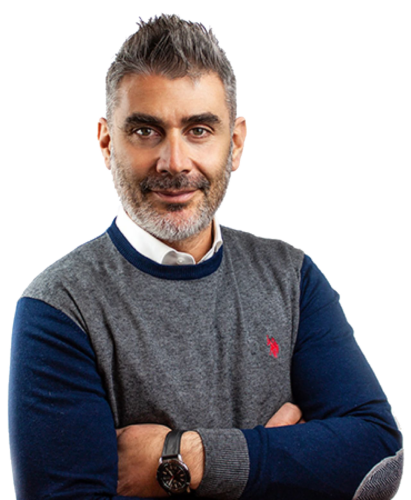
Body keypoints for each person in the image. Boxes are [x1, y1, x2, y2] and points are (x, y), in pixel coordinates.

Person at [8, 13, 403, 500]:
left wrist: (186, 459)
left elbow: (378, 457)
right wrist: (283, 460)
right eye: (146, 131)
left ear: (234, 143)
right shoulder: (59, 308)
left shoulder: (291, 277)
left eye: (198, 130)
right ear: (107, 142)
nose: (174, 162)